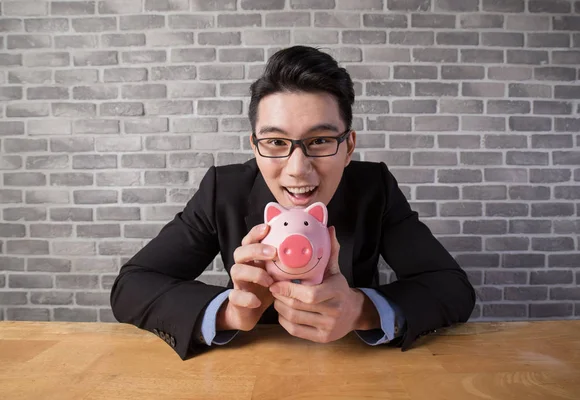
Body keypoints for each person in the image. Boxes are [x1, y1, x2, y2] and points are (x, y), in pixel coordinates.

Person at [110, 45, 476, 360]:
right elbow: (133, 284)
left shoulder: (373, 187)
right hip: (245, 366)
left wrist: (362, 311)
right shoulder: (224, 189)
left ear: (348, 147)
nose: (298, 171)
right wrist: (229, 312)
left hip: (353, 365)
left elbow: (451, 286)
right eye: (275, 143)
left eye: (319, 141)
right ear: (255, 146)